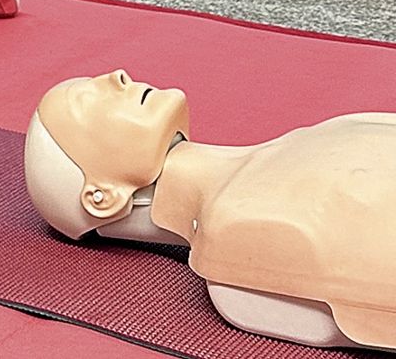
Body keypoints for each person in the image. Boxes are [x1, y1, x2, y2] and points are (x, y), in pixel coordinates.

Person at [26, 71, 396, 351]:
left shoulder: (321, 135)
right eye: (87, 102)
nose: (117, 76)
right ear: (102, 197)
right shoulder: (241, 234)